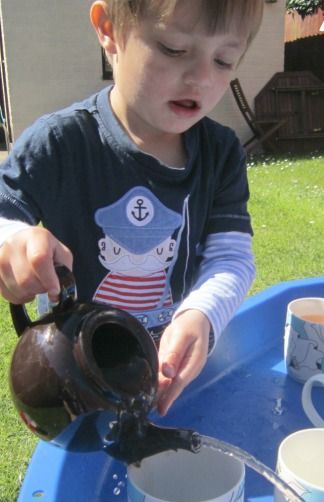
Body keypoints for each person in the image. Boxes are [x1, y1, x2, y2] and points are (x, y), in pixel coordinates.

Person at [0, 0, 263, 415]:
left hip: (166, 365)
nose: (200, 78)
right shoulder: (59, 144)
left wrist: (202, 315)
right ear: (109, 29)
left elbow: (231, 257)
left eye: (224, 60)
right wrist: (12, 241)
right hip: (74, 374)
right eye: (174, 49)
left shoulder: (220, 154)